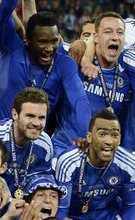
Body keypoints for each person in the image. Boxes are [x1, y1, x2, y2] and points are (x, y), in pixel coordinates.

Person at [0, 1, 91, 141]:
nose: (49, 48)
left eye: (54, 41)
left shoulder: (64, 64)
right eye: (42, 42)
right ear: (27, 40)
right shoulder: (11, 50)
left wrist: (86, 133)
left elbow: (79, 100)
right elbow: (3, 15)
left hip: (35, 146)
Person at [55, 108, 135, 220]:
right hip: (74, 218)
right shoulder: (68, 161)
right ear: (89, 137)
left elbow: (129, 207)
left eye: (114, 135)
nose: (109, 141)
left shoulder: (129, 165)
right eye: (102, 134)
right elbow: (62, 210)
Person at [53, 12, 130, 155]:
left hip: (101, 158)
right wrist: (81, 46)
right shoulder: (74, 59)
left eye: (120, 32)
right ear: (95, 37)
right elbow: (46, 35)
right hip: (64, 151)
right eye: (108, 32)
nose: (115, 37)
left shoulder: (129, 74)